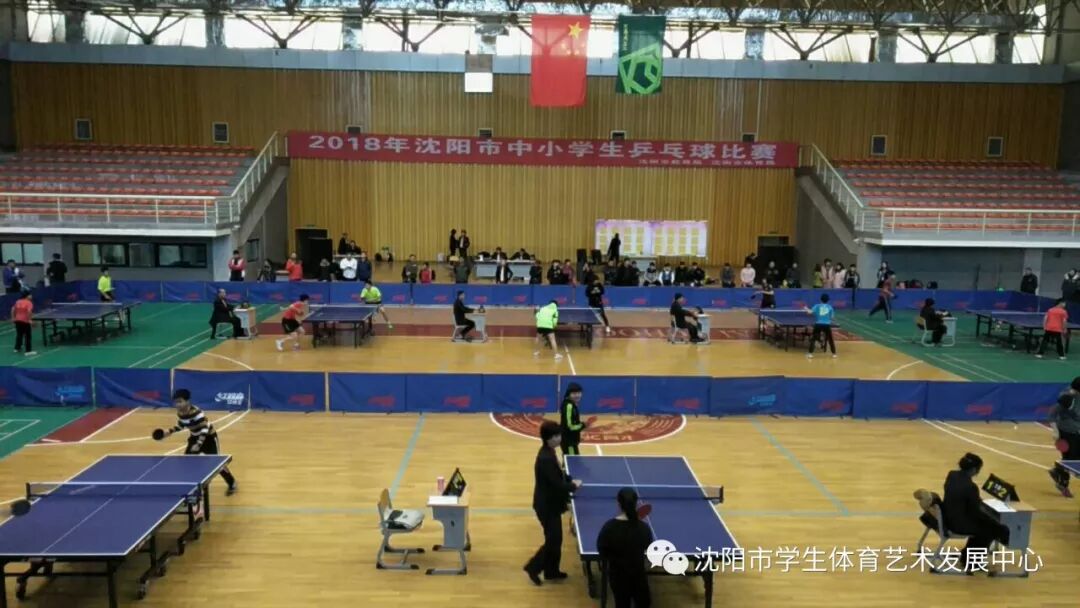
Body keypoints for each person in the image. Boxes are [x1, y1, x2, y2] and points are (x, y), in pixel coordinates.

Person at [523, 420, 581, 585]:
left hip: (551, 504)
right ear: (549, 438)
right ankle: (533, 568)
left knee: (556, 540)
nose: (560, 438)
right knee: (553, 540)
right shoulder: (545, 458)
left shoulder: (549, 452)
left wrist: (568, 478)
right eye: (557, 436)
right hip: (546, 506)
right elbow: (556, 484)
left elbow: (557, 475)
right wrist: (573, 486)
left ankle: (551, 571)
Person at [155, 389, 237, 495]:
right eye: (176, 402)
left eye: (180, 401)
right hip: (194, 437)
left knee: (217, 464)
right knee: (188, 462)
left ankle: (231, 482)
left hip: (209, 438)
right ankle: (192, 488)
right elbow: (182, 425)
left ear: (187, 401)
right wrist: (169, 431)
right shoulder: (180, 413)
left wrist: (199, 444)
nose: (178, 404)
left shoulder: (197, 413)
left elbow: (205, 429)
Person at [941, 453, 1009, 571]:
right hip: (957, 523)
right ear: (973, 469)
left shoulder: (952, 475)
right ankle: (973, 562)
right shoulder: (970, 487)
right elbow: (976, 512)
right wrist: (992, 519)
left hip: (948, 516)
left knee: (988, 525)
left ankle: (967, 556)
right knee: (990, 528)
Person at [597, 487, 654, 608]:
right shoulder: (643, 528)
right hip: (638, 576)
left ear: (618, 504)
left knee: (622, 604)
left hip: (618, 577)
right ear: (636, 504)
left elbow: (602, 551)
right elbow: (649, 549)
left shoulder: (609, 528)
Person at [1048, 377, 1080, 497]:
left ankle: (1057, 471)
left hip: (1077, 432)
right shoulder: (1068, 398)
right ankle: (1062, 483)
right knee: (1070, 459)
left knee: (1074, 460)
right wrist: (1055, 431)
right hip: (1066, 433)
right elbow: (1052, 414)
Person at [805, 293, 836, 359]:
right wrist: (828, 318)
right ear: (828, 300)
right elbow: (832, 318)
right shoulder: (830, 307)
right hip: (827, 325)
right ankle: (834, 354)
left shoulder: (817, 306)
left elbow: (809, 312)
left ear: (820, 299)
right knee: (830, 339)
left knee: (813, 339)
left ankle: (810, 354)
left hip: (818, 324)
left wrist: (806, 309)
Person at [559, 382, 587, 456]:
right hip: (569, 442)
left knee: (568, 460)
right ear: (569, 394)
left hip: (570, 440)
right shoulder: (569, 406)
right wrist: (583, 425)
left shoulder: (571, 404)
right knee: (573, 461)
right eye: (574, 393)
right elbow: (570, 426)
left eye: (579, 393)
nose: (577, 395)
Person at [11, 291, 35, 356]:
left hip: (17, 320)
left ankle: (17, 348)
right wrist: (29, 320)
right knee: (28, 336)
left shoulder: (18, 301)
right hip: (25, 321)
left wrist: (13, 318)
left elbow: (13, 309)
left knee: (19, 334)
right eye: (30, 295)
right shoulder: (29, 302)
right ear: (27, 296)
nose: (31, 296)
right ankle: (28, 351)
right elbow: (29, 311)